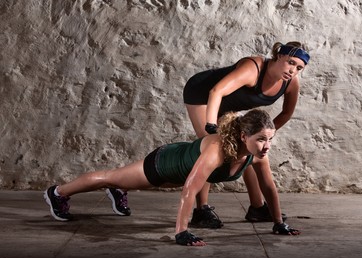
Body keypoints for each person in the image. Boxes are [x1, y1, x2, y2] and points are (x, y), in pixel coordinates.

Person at [44, 109, 300, 246]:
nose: (267, 145)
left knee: (118, 182)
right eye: (261, 139)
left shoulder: (257, 154)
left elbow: (269, 187)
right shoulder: (218, 149)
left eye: (270, 139)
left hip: (180, 170)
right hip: (165, 165)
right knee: (111, 177)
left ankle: (119, 192)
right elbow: (190, 189)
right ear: (245, 136)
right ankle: (57, 193)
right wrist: (181, 232)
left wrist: (279, 223)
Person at [183, 41, 310, 228]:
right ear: (279, 56)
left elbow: (286, 113)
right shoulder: (253, 69)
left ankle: (257, 208)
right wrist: (211, 125)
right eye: (291, 62)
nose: (293, 70)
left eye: (299, 68)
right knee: (212, 149)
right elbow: (216, 91)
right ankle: (201, 210)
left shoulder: (290, 82)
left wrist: (264, 133)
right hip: (202, 95)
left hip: (228, 105)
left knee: (248, 149)